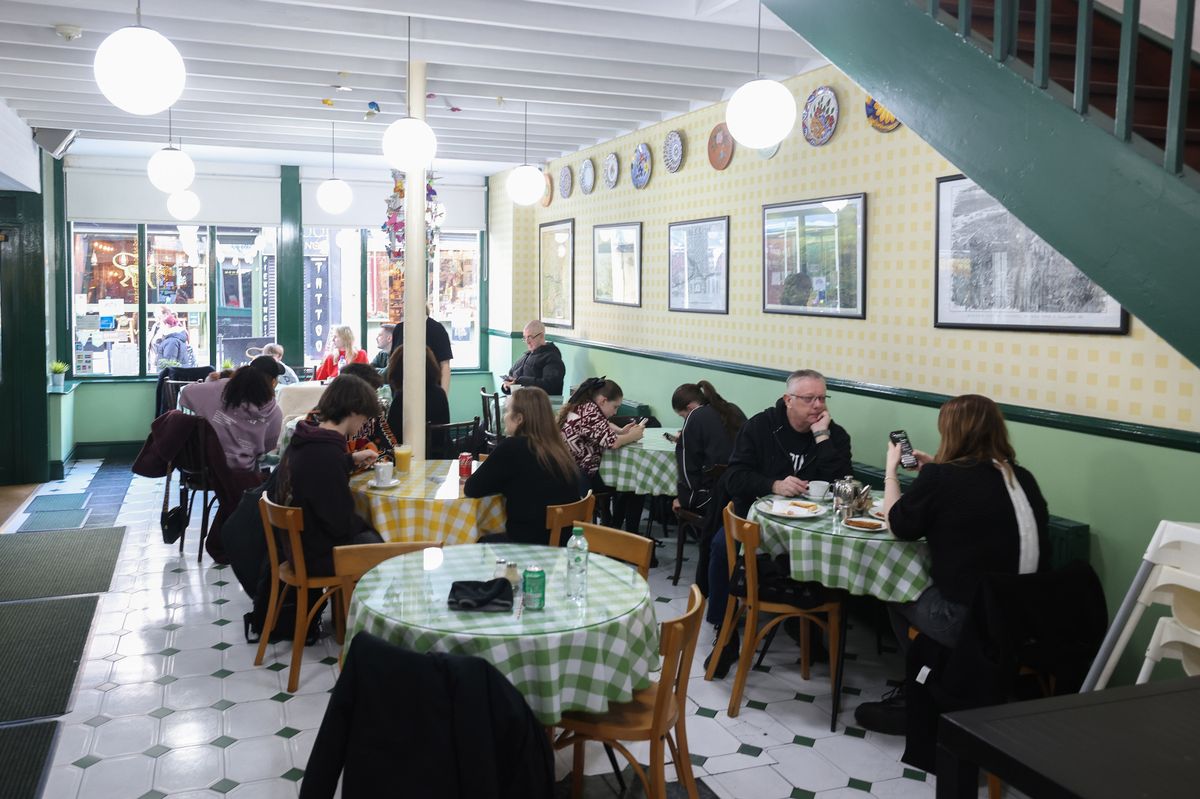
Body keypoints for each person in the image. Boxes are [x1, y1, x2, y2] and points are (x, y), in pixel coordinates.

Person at [853, 394, 1050, 735]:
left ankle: (925, 681)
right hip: (1029, 620)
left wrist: (890, 472)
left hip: (970, 624)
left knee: (892, 591)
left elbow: (900, 525)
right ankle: (943, 676)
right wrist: (933, 471)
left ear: (951, 432)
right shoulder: (1022, 477)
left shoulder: (944, 479)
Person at [704, 369, 853, 676]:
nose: (817, 405)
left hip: (811, 527)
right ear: (788, 400)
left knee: (830, 555)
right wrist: (773, 484)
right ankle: (726, 632)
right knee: (721, 548)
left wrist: (822, 437)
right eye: (809, 398)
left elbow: (842, 482)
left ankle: (809, 631)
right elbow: (733, 477)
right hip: (755, 520)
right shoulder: (760, 427)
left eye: (822, 398)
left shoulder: (834, 435)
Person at [272, 374, 383, 578]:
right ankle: (357, 608)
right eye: (365, 416)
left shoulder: (305, 440)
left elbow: (315, 476)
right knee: (384, 545)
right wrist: (376, 524)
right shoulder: (326, 454)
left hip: (296, 546)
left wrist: (350, 460)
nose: (365, 422)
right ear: (353, 411)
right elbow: (339, 523)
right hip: (316, 554)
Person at [464, 387, 583, 544]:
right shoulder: (558, 448)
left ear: (519, 419)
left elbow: (472, 488)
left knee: (476, 542)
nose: (504, 417)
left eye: (507, 411)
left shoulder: (512, 447)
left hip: (528, 543)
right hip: (564, 542)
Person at [557, 377, 645, 528]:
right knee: (634, 484)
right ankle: (623, 532)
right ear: (603, 400)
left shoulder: (584, 405)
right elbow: (613, 442)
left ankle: (613, 526)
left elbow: (602, 425)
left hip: (569, 470)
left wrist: (620, 431)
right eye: (615, 407)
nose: (615, 411)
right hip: (578, 475)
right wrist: (633, 435)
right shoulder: (590, 411)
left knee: (628, 483)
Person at [178, 355, 285, 476]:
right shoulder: (274, 412)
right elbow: (266, 447)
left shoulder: (221, 388)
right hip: (244, 472)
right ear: (273, 382)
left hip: (207, 466)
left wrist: (212, 383)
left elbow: (185, 392)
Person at [669, 380, 747, 515]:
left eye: (683, 416)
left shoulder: (695, 416)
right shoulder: (731, 409)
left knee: (679, 498)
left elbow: (688, 471)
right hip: (742, 490)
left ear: (690, 407)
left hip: (713, 496)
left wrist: (683, 498)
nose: (685, 420)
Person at [385, 345, 450, 448]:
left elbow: (390, 436)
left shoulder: (403, 397)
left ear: (398, 369)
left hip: (409, 456)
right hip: (440, 454)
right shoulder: (440, 393)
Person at [336, 363, 397, 458]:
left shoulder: (374, 413)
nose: (374, 398)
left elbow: (392, 449)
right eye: (371, 393)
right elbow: (333, 460)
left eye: (375, 392)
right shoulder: (326, 417)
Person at [390, 311, 453, 392]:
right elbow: (393, 364)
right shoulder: (399, 329)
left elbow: (445, 366)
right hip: (402, 392)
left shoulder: (437, 329)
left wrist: (443, 397)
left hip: (430, 392)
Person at [502, 320, 565, 396]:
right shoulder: (527, 355)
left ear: (541, 336)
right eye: (525, 338)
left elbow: (550, 386)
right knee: (496, 405)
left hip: (538, 404)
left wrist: (520, 381)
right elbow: (512, 374)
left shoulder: (552, 358)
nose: (527, 342)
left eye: (530, 337)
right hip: (520, 400)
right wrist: (507, 385)